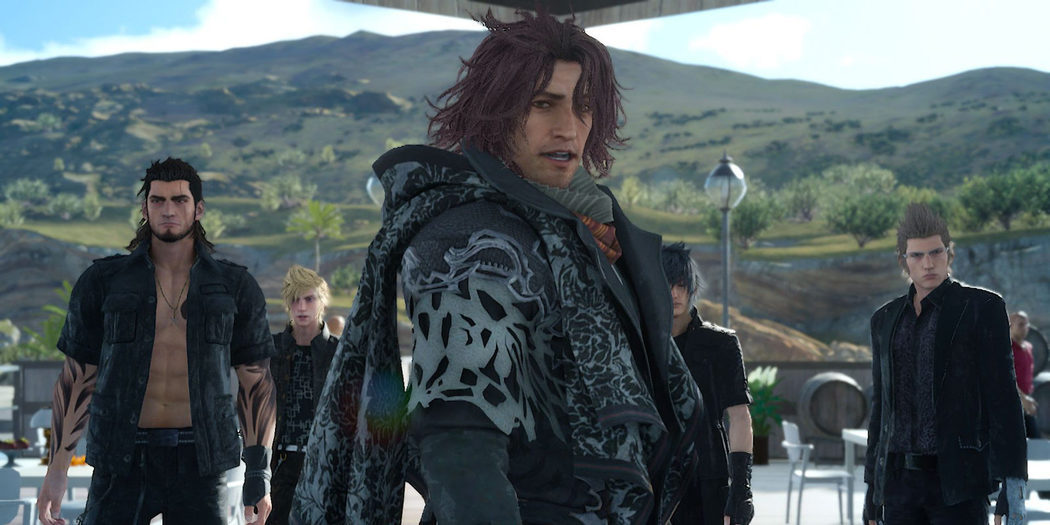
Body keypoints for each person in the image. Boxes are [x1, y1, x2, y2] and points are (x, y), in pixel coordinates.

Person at [292, 10, 703, 524]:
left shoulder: (585, 231)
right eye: (543, 104)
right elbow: (460, 449)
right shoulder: (469, 238)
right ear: (496, 111)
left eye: (582, 107)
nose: (567, 127)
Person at [37, 158, 276, 525]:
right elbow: (77, 378)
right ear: (145, 208)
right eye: (158, 200)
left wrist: (259, 473)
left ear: (198, 209)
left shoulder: (235, 286)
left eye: (179, 200)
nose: (168, 210)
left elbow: (256, 383)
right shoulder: (104, 281)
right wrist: (57, 469)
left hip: (201, 460)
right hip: (120, 458)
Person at [863, 203, 1027, 525]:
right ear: (903, 261)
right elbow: (880, 409)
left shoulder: (982, 308)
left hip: (958, 484)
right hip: (898, 486)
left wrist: (1013, 484)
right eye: (917, 255)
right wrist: (873, 490)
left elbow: (1004, 399)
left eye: (936, 252)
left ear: (949, 254)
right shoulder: (884, 319)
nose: (928, 263)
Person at [662, 243, 754, 525]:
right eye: (668, 284)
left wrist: (741, 488)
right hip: (657, 475)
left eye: (681, 284)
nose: (675, 293)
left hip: (709, 476)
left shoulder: (721, 343)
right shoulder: (642, 344)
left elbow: (740, 416)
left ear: (692, 287)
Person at [269, 265, 339, 524]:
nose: (301, 307)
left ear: (322, 301)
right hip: (279, 464)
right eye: (295, 299)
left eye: (309, 299)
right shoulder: (271, 349)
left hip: (326, 466)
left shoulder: (339, 353)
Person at [1010, 311, 1040, 438]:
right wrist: (1023, 399)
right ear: (1011, 326)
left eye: (1026, 324)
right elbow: (1007, 378)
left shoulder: (1028, 347)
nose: (1024, 328)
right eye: (1020, 324)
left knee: (1035, 440)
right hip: (1012, 402)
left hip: (1027, 401)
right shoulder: (1007, 349)